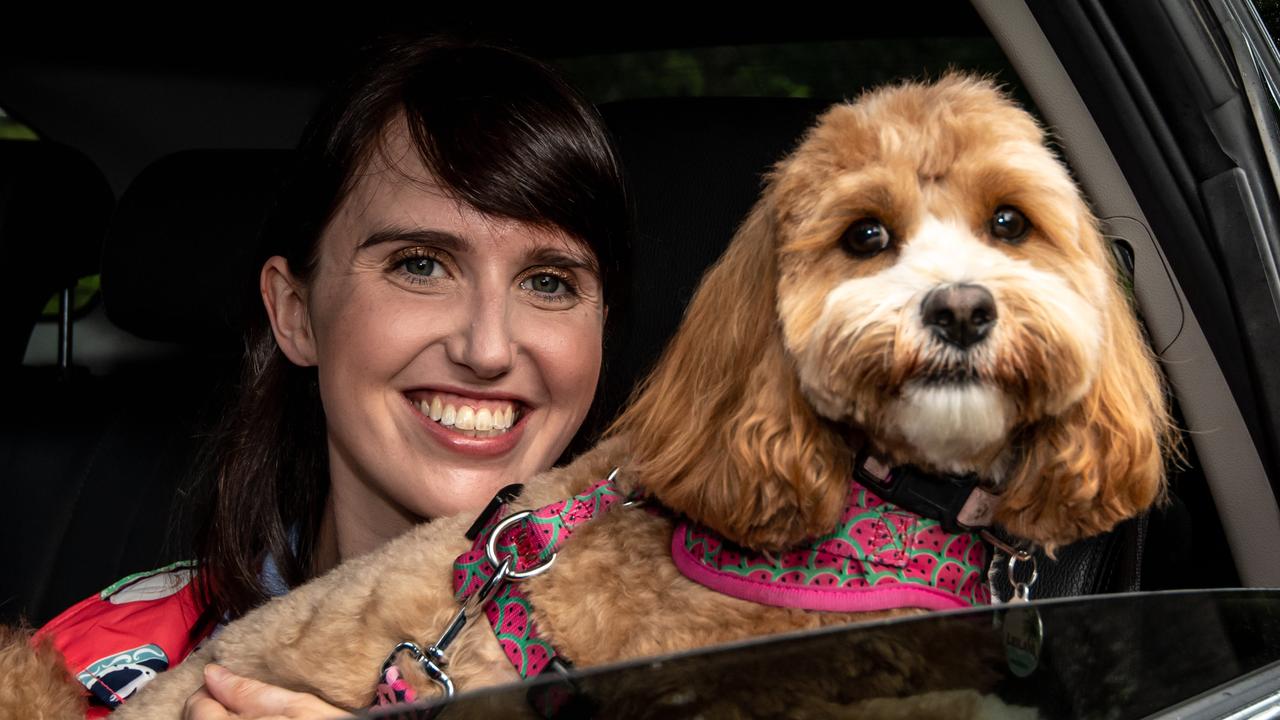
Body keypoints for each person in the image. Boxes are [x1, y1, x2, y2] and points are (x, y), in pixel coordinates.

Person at [35, 36, 630, 719]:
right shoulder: (91, 674)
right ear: (296, 314)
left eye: (549, 282)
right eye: (420, 264)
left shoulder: (714, 671)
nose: (488, 348)